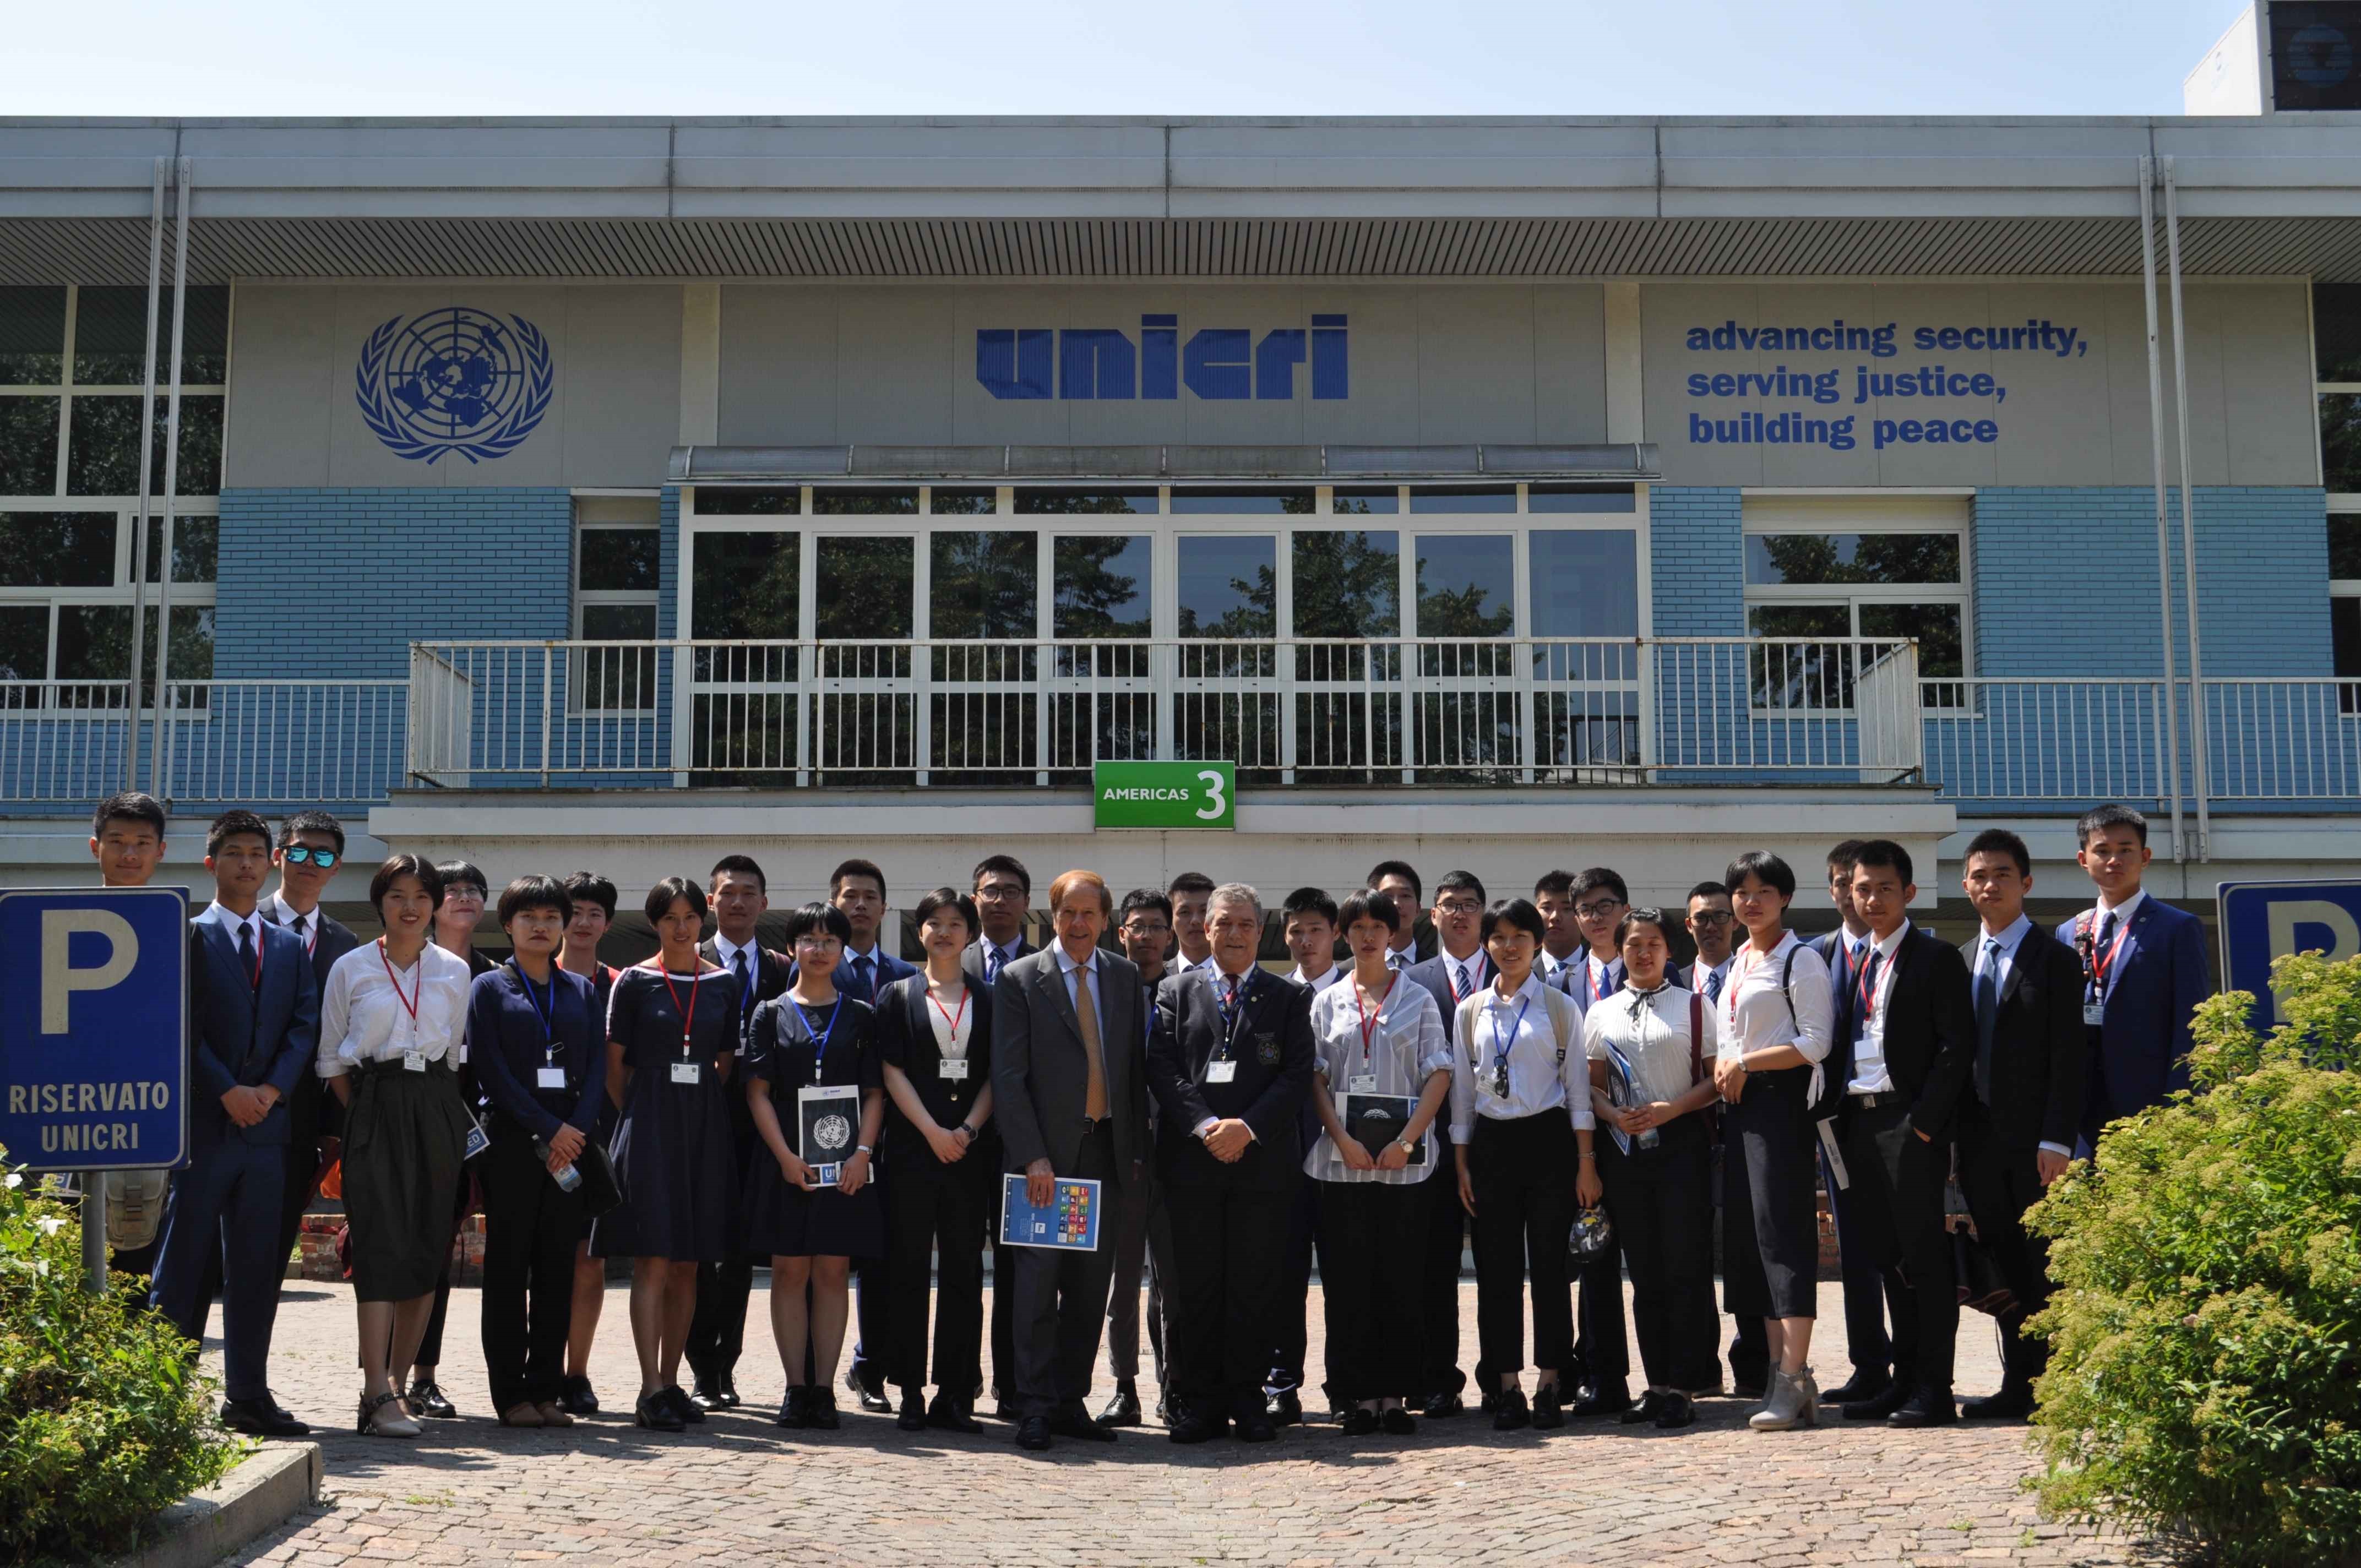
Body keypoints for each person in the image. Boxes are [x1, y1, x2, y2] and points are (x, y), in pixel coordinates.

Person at [151, 810, 320, 1438]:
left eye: (257, 852)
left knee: (255, 1269)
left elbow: (304, 1025)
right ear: (210, 862)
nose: (247, 863)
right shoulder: (186, 935)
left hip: (267, 1133)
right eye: (234, 853)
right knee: (183, 1266)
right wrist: (226, 1089)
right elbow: (181, 1023)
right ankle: (160, 1396)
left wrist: (271, 1090)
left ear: (271, 861)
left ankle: (248, 1395)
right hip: (205, 1126)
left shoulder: (286, 944)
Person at [991, 869, 1149, 1451]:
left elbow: (1131, 1067)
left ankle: (1068, 1399)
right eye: (1067, 913)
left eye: (1089, 913)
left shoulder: (1125, 976)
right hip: (1045, 1162)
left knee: (1088, 1288)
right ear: (1051, 918)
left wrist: (1134, 1155)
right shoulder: (1020, 979)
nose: (1078, 924)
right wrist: (1031, 1155)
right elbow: (1008, 1078)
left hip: (1105, 1152)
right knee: (1037, 1285)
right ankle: (1031, 1404)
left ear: (1105, 919)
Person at [1150, 883, 1314, 1444]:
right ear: (1205, 928)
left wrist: (1246, 1128)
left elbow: (1296, 1075)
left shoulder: (1286, 998)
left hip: (1261, 1167)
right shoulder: (1174, 992)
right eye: (1224, 924)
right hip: (1190, 1166)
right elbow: (1163, 1068)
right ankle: (1195, 1403)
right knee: (1193, 1290)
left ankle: (1247, 1400)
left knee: (1253, 1286)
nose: (1235, 934)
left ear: (1260, 927)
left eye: (1246, 924)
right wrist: (1205, 1127)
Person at [318, 853, 472, 1439]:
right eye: (397, 896)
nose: (410, 908)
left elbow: (454, 1053)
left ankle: (400, 1389)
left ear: (434, 905)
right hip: (374, 1100)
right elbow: (332, 1056)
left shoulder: (454, 971)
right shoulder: (351, 967)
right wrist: (363, 1110)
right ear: (379, 902)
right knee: (380, 1248)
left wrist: (433, 1109)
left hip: (435, 1101)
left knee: (426, 1249)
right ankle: (373, 1390)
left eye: (422, 897)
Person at [1829, 840, 1976, 1428]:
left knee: (1924, 1259)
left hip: (1907, 1126)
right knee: (1886, 1258)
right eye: (1861, 888)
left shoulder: (1935, 958)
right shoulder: (1855, 960)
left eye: (1884, 888)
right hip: (1858, 1122)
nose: (1871, 898)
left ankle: (1934, 1389)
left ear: (1908, 892)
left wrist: (1923, 1125)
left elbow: (1955, 1047)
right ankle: (1900, 1379)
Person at [591, 876, 743, 1432]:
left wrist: (693, 1102)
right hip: (650, 1123)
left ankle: (674, 1380)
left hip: (703, 1125)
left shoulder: (725, 984)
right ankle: (649, 1385)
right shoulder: (633, 981)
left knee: (689, 1263)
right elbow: (614, 1069)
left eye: (689, 917)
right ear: (654, 923)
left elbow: (725, 1063)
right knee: (653, 1258)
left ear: (702, 920)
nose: (681, 927)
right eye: (668, 917)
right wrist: (647, 1109)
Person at [1304, 889, 1450, 1438]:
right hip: (1343, 1163)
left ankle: (1394, 1394)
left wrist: (1408, 1141)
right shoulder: (1326, 1001)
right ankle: (1355, 1394)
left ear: (1394, 932)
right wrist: (1340, 1138)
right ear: (1344, 933)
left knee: (1401, 1280)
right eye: (1357, 926)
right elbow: (1315, 1077)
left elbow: (1439, 1072)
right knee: (1346, 1283)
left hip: (1403, 1165)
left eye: (1378, 925)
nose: (1368, 935)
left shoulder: (1419, 999)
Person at [1448, 897, 1596, 1431]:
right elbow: (1462, 1096)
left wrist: (1585, 1162)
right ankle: (1505, 1383)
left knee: (1551, 1270)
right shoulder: (1471, 1011)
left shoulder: (1558, 1008)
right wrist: (1462, 1163)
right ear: (1487, 945)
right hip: (1490, 1148)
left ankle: (1551, 1380)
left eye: (1520, 937)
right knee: (1496, 1271)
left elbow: (1579, 1091)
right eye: (1499, 937)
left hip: (1551, 1143)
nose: (1509, 947)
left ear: (1536, 944)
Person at [1957, 829, 2086, 1420]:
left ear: (2025, 883)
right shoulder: (1959, 960)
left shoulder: (2057, 959)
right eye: (1979, 876)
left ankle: (2056, 1388)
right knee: (2004, 1269)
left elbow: (2068, 1057)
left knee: (2044, 1267)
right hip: (1978, 1145)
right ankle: (2017, 1385)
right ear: (1965, 886)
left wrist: (2057, 1138)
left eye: (2002, 874)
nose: (1990, 885)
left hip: (2037, 1145)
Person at [742, 901, 885, 1430]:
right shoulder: (768, 1013)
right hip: (787, 1162)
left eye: (830, 940)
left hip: (846, 1167)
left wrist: (862, 1156)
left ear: (843, 948)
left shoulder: (862, 1014)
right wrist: (783, 1156)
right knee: (788, 1270)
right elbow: (756, 1092)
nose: (819, 949)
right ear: (793, 947)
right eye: (809, 939)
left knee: (830, 1272)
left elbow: (876, 1093)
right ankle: (794, 1388)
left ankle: (824, 1390)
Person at [470, 876, 606, 1428]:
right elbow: (491, 1070)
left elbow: (597, 1066)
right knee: (507, 1269)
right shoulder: (489, 987)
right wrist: (548, 1127)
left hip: (568, 1149)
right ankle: (511, 1395)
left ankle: (547, 1390)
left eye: (552, 917)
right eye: (529, 916)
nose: (543, 926)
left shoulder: (580, 989)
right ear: (508, 923)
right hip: (511, 1144)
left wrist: (574, 1129)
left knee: (558, 1269)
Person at [1712, 851, 1837, 1432]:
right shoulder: (1737, 962)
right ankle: (1780, 1375)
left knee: (1784, 1240)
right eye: (1741, 891)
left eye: (1764, 890)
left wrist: (1745, 1061)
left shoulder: (1801, 958)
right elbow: (1726, 1037)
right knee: (1753, 1245)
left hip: (1780, 1107)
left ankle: (1792, 1377)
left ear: (1785, 897)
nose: (1751, 900)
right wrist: (1727, 1066)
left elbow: (1816, 1041)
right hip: (1739, 1110)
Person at [1584, 908, 1722, 1429]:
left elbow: (1716, 1080)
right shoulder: (1601, 1011)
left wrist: (1672, 1109)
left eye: (1655, 944)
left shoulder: (1695, 1006)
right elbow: (1591, 1085)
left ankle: (1686, 1386)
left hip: (1681, 1142)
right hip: (1624, 1149)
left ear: (1670, 950)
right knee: (1643, 1271)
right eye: (1634, 944)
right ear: (1619, 950)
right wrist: (1613, 1114)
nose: (1644, 953)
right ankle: (1657, 1383)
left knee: (1684, 1267)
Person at [875, 888, 995, 1433]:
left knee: (965, 1272)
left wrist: (966, 1129)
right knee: (905, 1270)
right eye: (933, 922)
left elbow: (1000, 1072)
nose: (944, 932)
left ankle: (955, 1391)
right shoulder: (896, 995)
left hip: (971, 1155)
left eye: (955, 923)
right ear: (918, 930)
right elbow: (891, 1070)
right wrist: (931, 1130)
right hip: (911, 1151)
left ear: (970, 932)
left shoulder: (991, 998)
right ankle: (908, 1390)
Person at [685, 853, 787, 1412]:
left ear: (764, 903)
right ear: (710, 901)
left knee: (743, 1256)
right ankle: (700, 1367)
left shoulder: (781, 967)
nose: (739, 902)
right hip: (701, 1119)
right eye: (728, 893)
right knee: (702, 1250)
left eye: (750, 892)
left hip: (760, 1127)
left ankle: (727, 1365)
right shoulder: (689, 960)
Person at [401, 858, 494, 1422]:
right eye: (452, 888)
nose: (463, 896)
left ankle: (424, 1376)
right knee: (397, 1248)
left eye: (473, 889)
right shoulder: (407, 963)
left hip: (468, 1130)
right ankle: (382, 1374)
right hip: (406, 1118)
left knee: (440, 1251)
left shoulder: (493, 976)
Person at [2060, 804, 2207, 1156]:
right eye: (2103, 851)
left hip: (2149, 1104)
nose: (2114, 860)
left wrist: (2180, 1107)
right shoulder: (2070, 931)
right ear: (2083, 860)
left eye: (2126, 850)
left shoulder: (2177, 927)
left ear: (2145, 857)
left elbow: (2191, 1023)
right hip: (2082, 1107)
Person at [828, 857, 918, 1412]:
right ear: (835, 903)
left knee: (887, 1257)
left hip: (897, 1138)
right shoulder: (813, 966)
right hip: (832, 1136)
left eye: (869, 897)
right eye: (849, 896)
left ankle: (873, 1364)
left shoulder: (908, 975)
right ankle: (816, 1370)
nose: (859, 905)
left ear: (885, 908)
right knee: (832, 1258)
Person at [1809, 839, 1896, 1410]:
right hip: (1837, 1127)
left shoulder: (1909, 949)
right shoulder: (1814, 955)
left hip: (1895, 1122)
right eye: (1840, 881)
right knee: (1856, 1251)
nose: (1849, 892)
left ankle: (1910, 1363)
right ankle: (1870, 1364)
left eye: (1858, 881)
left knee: (1902, 1248)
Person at [1402, 869, 1492, 1417]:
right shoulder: (1411, 981)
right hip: (1431, 1147)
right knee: (1432, 1270)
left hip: (1498, 1141)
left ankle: (1501, 1376)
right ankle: (1437, 1377)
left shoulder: (1510, 973)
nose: (1459, 913)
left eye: (1469, 904)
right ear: (1431, 916)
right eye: (1448, 904)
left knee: (1501, 1268)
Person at [1546, 867, 1635, 1420]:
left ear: (1624, 910)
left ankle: (1675, 1375)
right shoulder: (1558, 988)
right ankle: (1602, 1375)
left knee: (1653, 1263)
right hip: (1580, 1142)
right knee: (1592, 1261)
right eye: (1587, 910)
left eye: (1607, 906)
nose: (1597, 917)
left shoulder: (1654, 968)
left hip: (1648, 1135)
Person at [259, 810, 361, 1284]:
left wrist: (333, 1128)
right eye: (298, 851)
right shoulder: (242, 923)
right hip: (240, 1105)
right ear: (280, 855)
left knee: (277, 1243)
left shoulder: (347, 944)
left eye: (323, 855)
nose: (309, 862)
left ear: (336, 867)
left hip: (306, 1121)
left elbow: (345, 1039)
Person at [89, 791, 173, 1286]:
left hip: (154, 1120)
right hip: (76, 1117)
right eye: (117, 841)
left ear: (161, 851)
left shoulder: (181, 932)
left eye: (143, 843)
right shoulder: (58, 922)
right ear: (94, 846)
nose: (129, 854)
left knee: (145, 1268)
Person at [1101, 888, 1178, 1427]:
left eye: (1156, 926)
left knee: (1172, 1282)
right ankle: (1123, 1386)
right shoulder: (1105, 990)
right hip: (1119, 1156)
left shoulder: (1186, 991)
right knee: (1122, 1282)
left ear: (1171, 936)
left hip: (1175, 1153)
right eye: (1137, 926)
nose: (1146, 935)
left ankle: (1173, 1387)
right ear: (1120, 932)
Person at [1267, 885, 1344, 1425]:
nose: (1304, 939)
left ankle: (1346, 1381)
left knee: (1345, 1277)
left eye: (1315, 928)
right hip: (1285, 1161)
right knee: (1281, 1279)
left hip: (1346, 1159)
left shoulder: (1361, 992)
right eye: (1295, 929)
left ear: (1335, 933)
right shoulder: (1273, 997)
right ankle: (1281, 1383)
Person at [1685, 878, 1764, 1397]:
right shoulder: (1669, 984)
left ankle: (1755, 1364)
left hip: (1748, 1127)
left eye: (1719, 916)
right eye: (1701, 918)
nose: (1711, 926)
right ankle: (1697, 1366)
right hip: (1687, 1136)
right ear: (1687, 925)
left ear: (1734, 922)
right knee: (1690, 1254)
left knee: (1750, 1249)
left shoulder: (1753, 974)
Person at [967, 852, 1036, 1418]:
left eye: (1011, 891)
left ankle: (1014, 1384)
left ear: (1027, 903)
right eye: (990, 890)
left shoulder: (1045, 968)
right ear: (974, 899)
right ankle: (958, 1379)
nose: (1000, 899)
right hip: (960, 1138)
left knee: (1018, 1264)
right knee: (964, 1260)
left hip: (1023, 1141)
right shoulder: (949, 962)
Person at [558, 870, 623, 1415]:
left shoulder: (621, 983)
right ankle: (539, 1366)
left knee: (589, 1260)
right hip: (539, 1135)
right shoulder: (528, 976)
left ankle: (576, 1372)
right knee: (540, 1259)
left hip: (600, 1137)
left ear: (607, 921)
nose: (583, 922)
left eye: (594, 912)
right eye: (573, 910)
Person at [1367, 861, 1428, 969]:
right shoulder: (1348, 972)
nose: (1396, 904)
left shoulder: (1440, 969)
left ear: (1418, 909)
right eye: (1387, 896)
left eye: (1405, 896)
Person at [1533, 869, 1586, 982]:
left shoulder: (1604, 972)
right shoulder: (1522, 976)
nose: (1555, 917)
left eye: (1567, 909)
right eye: (1546, 908)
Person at [1167, 871, 1217, 974]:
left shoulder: (1236, 978)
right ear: (1170, 919)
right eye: (1185, 912)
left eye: (1204, 911)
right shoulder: (1158, 978)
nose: (1195, 920)